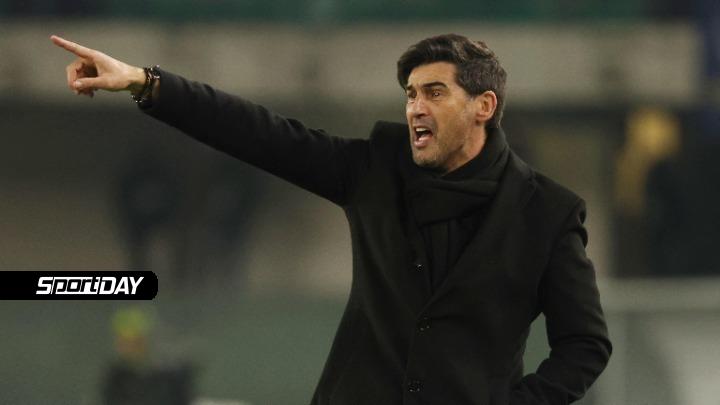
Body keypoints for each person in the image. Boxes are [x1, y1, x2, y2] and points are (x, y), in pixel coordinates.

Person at [52, 33, 611, 404]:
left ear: (483, 106)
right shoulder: (375, 171)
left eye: (434, 92)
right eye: (411, 94)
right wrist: (146, 83)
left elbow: (585, 344)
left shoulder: (548, 213)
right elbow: (258, 133)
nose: (415, 107)